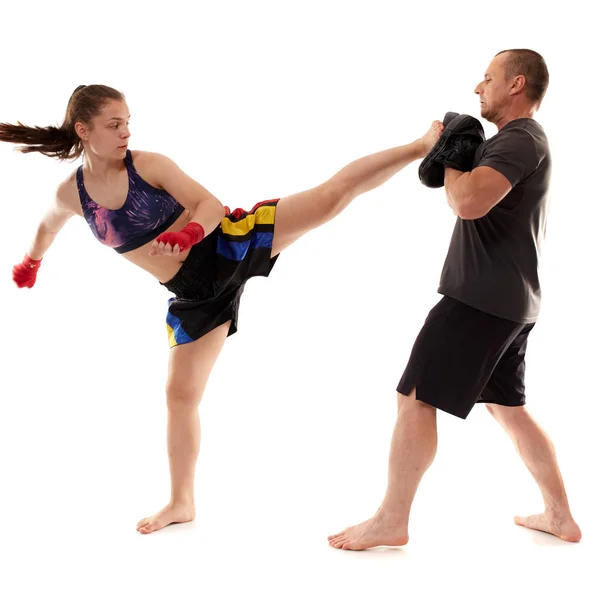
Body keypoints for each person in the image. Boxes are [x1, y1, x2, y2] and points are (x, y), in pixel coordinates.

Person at [2, 84, 443, 534]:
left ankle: (421, 146)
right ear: (84, 129)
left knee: (330, 197)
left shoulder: (148, 165)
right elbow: (46, 226)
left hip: (229, 242)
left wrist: (191, 232)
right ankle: (181, 502)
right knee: (179, 396)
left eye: (128, 121)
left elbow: (208, 203)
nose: (126, 132)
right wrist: (30, 263)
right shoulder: (73, 194)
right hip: (195, 295)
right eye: (115, 124)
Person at [328, 49, 582, 550]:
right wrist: (459, 155)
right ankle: (559, 517)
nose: (477, 87)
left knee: (414, 398)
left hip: (480, 298)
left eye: (487, 78)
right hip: (509, 299)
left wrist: (452, 156)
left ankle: (391, 519)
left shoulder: (519, 137)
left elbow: (467, 202)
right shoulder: (518, 141)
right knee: (508, 407)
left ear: (517, 84)